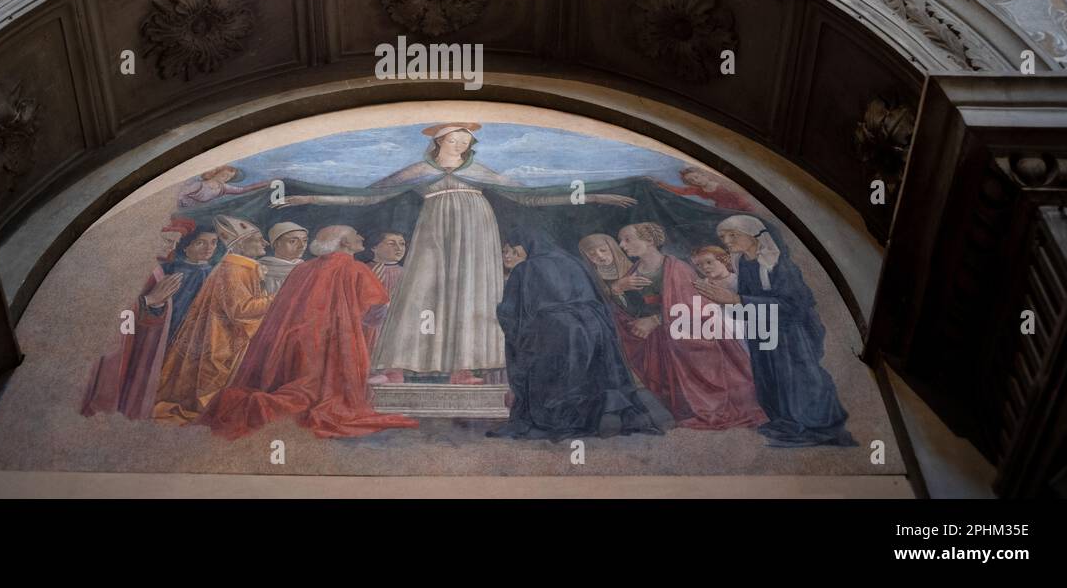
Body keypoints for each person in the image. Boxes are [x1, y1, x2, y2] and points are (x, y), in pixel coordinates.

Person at [274, 123, 634, 384]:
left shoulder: (479, 171)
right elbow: (368, 195)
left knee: (472, 297)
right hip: (434, 229)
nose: (460, 144)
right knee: (420, 292)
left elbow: (531, 196)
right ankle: (398, 364)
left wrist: (591, 196)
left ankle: (465, 367)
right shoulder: (421, 171)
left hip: (477, 232)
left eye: (466, 140)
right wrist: (313, 197)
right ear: (439, 141)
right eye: (454, 138)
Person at [201, 226, 420, 440]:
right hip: (334, 344)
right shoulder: (356, 269)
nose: (361, 237)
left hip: (293, 342)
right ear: (344, 242)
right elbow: (376, 313)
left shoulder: (302, 268)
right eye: (355, 235)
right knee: (322, 392)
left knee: (301, 385)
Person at [488, 227, 673, 441]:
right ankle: (589, 420)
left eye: (514, 248)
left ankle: (560, 423)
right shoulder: (573, 262)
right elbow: (597, 298)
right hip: (592, 327)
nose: (512, 253)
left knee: (553, 373)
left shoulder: (526, 269)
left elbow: (510, 312)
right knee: (583, 375)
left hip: (553, 330)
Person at [698, 215, 856, 447]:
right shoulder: (742, 263)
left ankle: (817, 427)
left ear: (752, 235)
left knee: (796, 379)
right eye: (723, 237)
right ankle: (785, 421)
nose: (727, 241)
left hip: (789, 334)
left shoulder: (778, 263)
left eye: (733, 235)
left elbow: (795, 304)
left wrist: (737, 299)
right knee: (768, 378)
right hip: (761, 329)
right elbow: (743, 300)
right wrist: (729, 302)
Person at [614, 222, 766, 429]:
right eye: (620, 241)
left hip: (690, 333)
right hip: (660, 337)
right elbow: (631, 309)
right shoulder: (632, 271)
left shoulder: (678, 268)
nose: (622, 245)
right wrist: (617, 290)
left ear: (649, 241)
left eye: (627, 239)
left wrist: (656, 320)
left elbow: (695, 307)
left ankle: (707, 408)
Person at [151, 215, 272, 424]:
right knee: (213, 383)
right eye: (258, 239)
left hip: (224, 334)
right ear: (241, 244)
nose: (265, 243)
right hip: (220, 338)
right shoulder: (234, 268)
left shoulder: (242, 266)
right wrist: (278, 298)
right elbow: (241, 309)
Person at [81, 218, 191, 419]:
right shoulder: (122, 267)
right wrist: (149, 300)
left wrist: (156, 305)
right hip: (107, 350)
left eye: (174, 243)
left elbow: (139, 320)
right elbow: (105, 312)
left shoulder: (156, 272)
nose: (171, 248)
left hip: (128, 345)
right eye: (168, 241)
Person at [360, 231, 408, 384]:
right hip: (367, 323)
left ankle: (392, 374)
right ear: (374, 247)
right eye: (391, 243)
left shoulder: (406, 273)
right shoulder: (362, 270)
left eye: (402, 244)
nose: (398, 248)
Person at [655, 167, 755, 212]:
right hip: (723, 210)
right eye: (691, 181)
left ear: (703, 174)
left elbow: (739, 194)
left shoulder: (720, 181)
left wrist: (747, 208)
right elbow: (681, 191)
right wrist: (660, 184)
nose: (695, 181)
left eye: (696, 177)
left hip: (741, 206)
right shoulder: (699, 190)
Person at [176, 165, 269, 209]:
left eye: (229, 177)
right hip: (183, 203)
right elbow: (182, 194)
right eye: (224, 175)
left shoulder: (223, 188)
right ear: (217, 173)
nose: (226, 178)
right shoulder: (200, 184)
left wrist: (265, 183)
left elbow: (243, 190)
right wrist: (182, 203)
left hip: (191, 207)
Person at [259, 222, 309, 295]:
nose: (302, 245)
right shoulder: (260, 269)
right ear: (276, 244)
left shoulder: (307, 269)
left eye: (305, 240)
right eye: (293, 241)